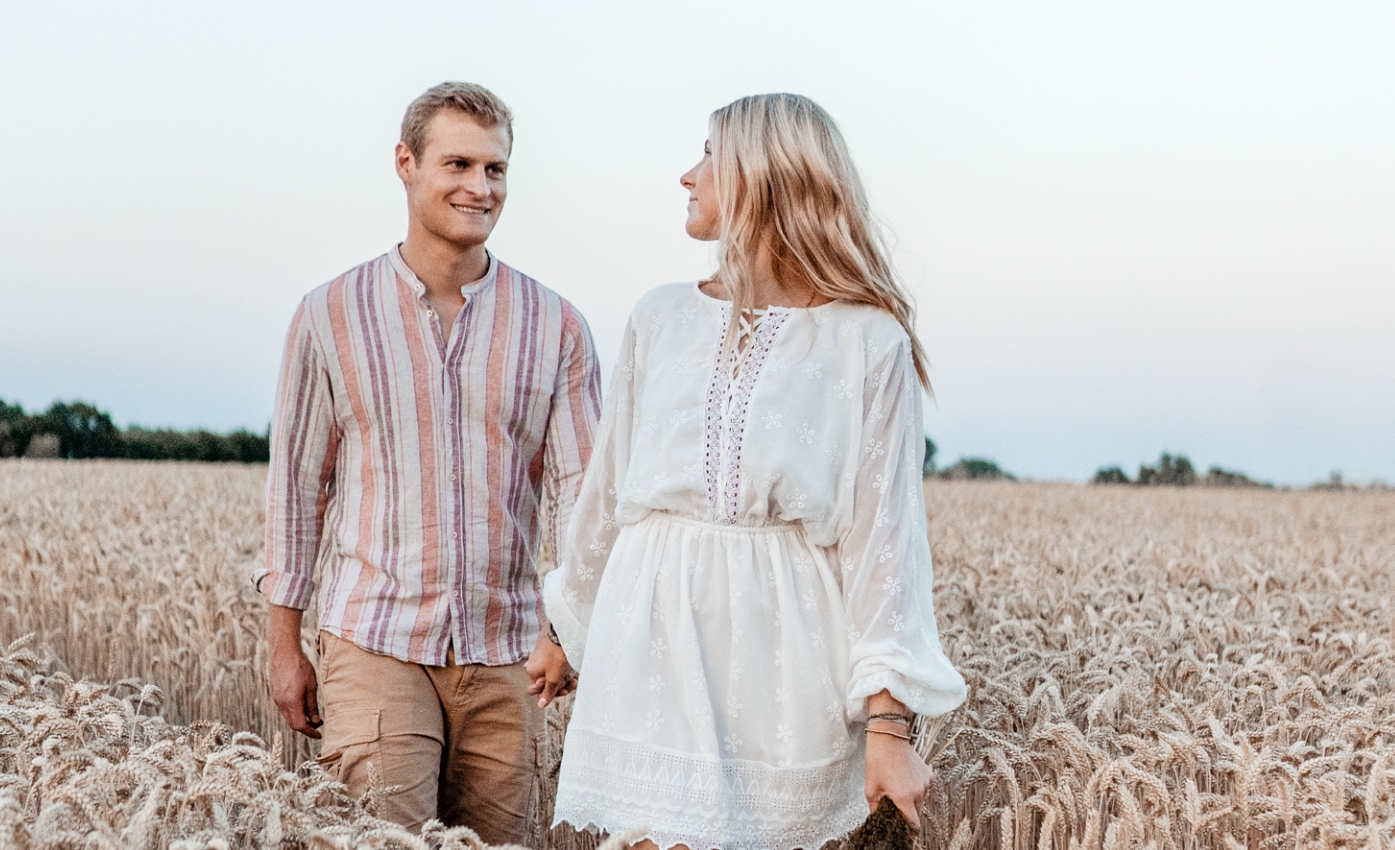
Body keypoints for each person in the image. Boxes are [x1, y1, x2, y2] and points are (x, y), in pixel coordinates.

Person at [533, 93, 968, 850]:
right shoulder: (660, 316)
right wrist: (565, 628)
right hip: (649, 643)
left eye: (709, 155)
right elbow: (608, 496)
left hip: (781, 664)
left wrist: (889, 726)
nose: (687, 176)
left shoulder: (868, 341)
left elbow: (884, 545)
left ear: (765, 177)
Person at [256, 81, 595, 845]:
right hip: (374, 638)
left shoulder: (558, 327)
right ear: (405, 164)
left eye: (496, 170)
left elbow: (582, 496)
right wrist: (284, 646)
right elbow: (297, 490)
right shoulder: (328, 315)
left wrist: (569, 630)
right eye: (459, 164)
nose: (480, 188)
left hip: (507, 651)